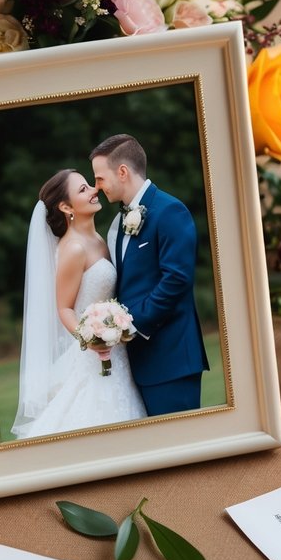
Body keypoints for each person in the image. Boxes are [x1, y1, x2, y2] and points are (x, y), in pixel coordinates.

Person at [11, 168, 146, 439]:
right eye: (83, 189)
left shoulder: (100, 239)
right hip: (95, 351)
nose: (94, 190)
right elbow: (64, 308)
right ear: (65, 206)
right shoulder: (73, 248)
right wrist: (90, 338)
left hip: (119, 350)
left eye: (89, 185)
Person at [90, 134, 209, 416]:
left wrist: (130, 325)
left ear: (122, 172)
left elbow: (176, 280)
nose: (97, 187)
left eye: (100, 178)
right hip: (137, 363)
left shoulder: (170, 211)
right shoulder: (118, 222)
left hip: (171, 361)